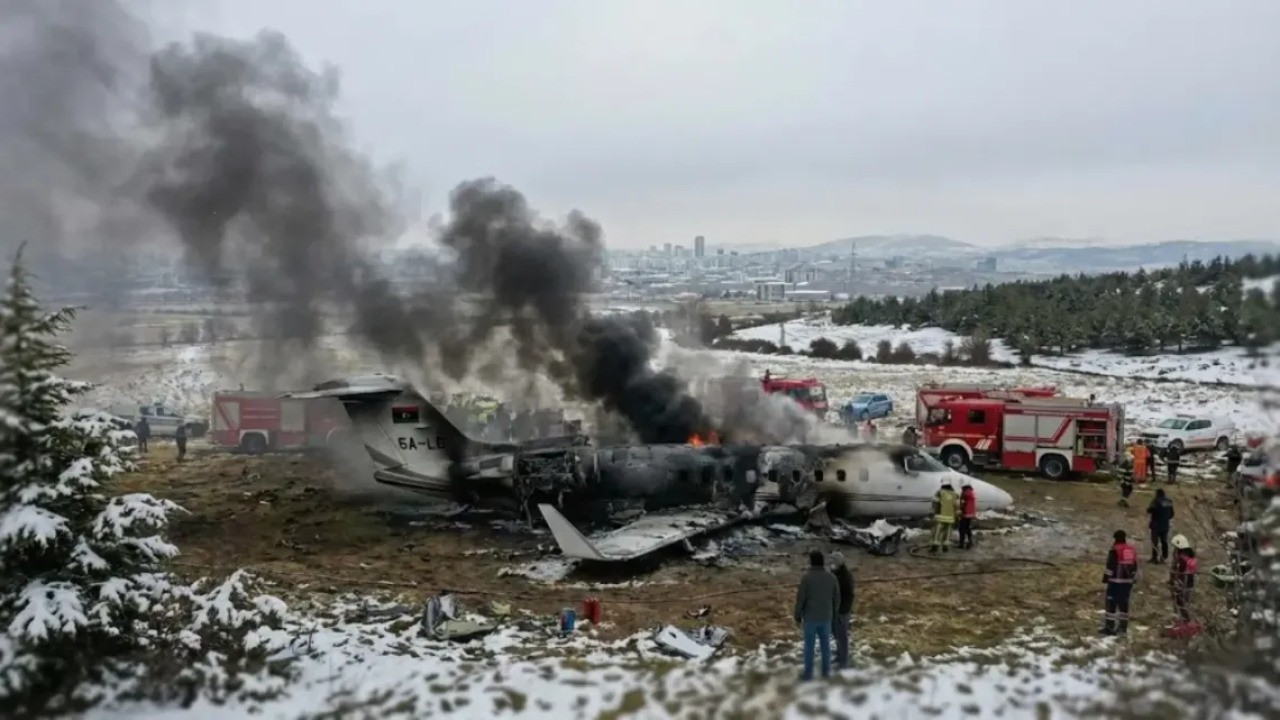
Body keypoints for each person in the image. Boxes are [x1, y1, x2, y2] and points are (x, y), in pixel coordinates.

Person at [794, 550, 840, 681]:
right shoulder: (831, 577)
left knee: (809, 647)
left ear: (811, 562)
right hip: (826, 616)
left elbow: (801, 598)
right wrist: (834, 613)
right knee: (826, 646)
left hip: (810, 617)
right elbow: (837, 597)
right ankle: (826, 672)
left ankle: (808, 675)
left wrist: (797, 615)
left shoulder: (806, 578)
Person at [1101, 530, 1139, 636]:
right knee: (1124, 604)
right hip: (1127, 582)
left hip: (1115, 581)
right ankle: (1122, 627)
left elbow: (1110, 565)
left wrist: (1105, 578)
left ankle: (1109, 627)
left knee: (1111, 603)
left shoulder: (1114, 549)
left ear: (1116, 539)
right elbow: (1135, 565)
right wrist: (1132, 578)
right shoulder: (1131, 549)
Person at [830, 552, 855, 670]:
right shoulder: (834, 574)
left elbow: (849, 595)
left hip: (842, 611)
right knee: (836, 633)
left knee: (842, 636)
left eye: (833, 562)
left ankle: (843, 661)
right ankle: (839, 655)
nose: (831, 564)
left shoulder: (845, 577)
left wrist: (842, 611)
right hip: (833, 610)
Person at [1168, 534, 1198, 625]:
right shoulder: (1190, 556)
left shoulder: (1182, 560)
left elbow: (1179, 573)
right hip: (1190, 583)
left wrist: (1175, 583)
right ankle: (1185, 620)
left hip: (1183, 584)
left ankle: (1186, 621)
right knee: (1185, 603)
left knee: (1181, 602)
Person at [1147, 488, 1175, 563]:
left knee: (1155, 542)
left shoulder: (1155, 501)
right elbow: (1172, 514)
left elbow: (1149, 510)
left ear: (1157, 494)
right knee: (1164, 541)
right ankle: (1164, 557)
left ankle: (1154, 557)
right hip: (1165, 525)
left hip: (1156, 524)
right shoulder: (1169, 502)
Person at [930, 482, 958, 553]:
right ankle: (945, 546)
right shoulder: (955, 494)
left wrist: (932, 512)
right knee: (948, 531)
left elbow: (935, 502)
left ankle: (935, 546)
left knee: (937, 531)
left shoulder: (939, 492)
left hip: (940, 515)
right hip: (950, 516)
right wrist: (956, 515)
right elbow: (956, 505)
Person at [957, 484, 977, 548]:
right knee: (967, 528)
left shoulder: (964, 494)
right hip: (970, 514)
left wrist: (961, 511)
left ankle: (961, 544)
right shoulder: (971, 493)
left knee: (961, 528)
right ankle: (970, 541)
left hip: (965, 513)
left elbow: (962, 504)